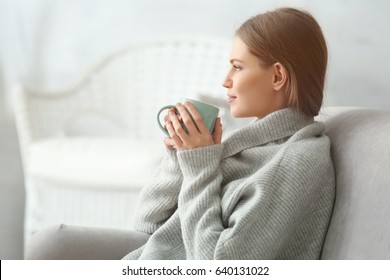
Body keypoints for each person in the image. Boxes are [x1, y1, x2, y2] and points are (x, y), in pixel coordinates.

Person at [121, 7, 335, 260]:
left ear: (278, 76)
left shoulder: (298, 161)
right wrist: (182, 158)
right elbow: (148, 223)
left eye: (238, 67)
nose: (226, 80)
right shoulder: (246, 146)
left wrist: (200, 166)